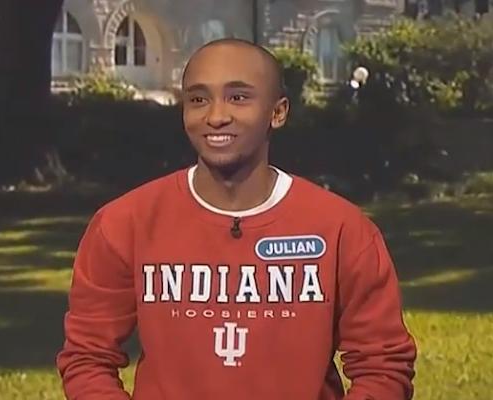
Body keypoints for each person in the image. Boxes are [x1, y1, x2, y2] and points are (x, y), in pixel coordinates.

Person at [56, 38, 417, 400]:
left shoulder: (341, 230)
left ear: (278, 112)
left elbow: (383, 365)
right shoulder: (124, 225)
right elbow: (87, 357)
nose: (216, 116)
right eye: (199, 99)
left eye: (238, 97)